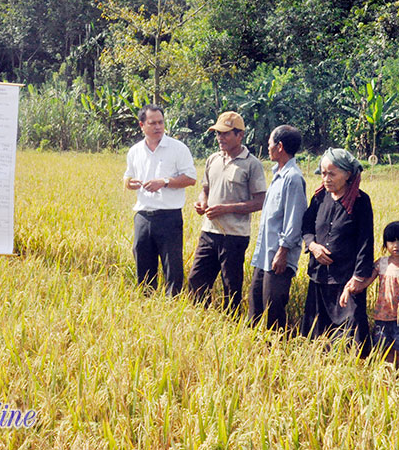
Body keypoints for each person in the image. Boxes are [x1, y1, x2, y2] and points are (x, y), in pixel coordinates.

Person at [187, 111, 266, 312]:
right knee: (196, 281)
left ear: (240, 135)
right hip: (209, 232)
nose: (220, 138)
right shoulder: (212, 159)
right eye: (218, 134)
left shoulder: (252, 164)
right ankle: (201, 319)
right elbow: (205, 189)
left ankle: (231, 324)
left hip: (234, 236)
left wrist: (225, 208)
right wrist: (201, 203)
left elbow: (260, 201)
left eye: (225, 134)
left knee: (231, 286)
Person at [300, 148, 374, 355]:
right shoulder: (319, 198)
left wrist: (359, 277)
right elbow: (306, 227)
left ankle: (354, 370)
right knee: (317, 331)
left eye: (332, 174)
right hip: (319, 276)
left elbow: (365, 241)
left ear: (348, 174)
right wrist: (313, 246)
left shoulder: (360, 201)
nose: (326, 178)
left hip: (346, 279)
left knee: (351, 331)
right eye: (323, 173)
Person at [124, 104, 196, 295]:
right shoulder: (135, 151)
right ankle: (146, 303)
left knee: (172, 266)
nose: (158, 127)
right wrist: (130, 183)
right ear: (142, 125)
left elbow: (190, 179)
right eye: (152, 123)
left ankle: (173, 305)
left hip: (169, 216)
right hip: (143, 216)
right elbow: (127, 177)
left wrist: (163, 182)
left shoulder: (178, 148)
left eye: (161, 122)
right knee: (143, 265)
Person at [248, 125, 307, 330]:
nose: (268, 148)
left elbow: (294, 219)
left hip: (278, 258)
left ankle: (277, 354)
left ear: (279, 146)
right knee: (255, 305)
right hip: (264, 255)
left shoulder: (293, 178)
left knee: (274, 311)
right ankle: (254, 352)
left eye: (270, 144)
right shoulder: (278, 174)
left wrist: (283, 251)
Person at [340, 221, 399, 369]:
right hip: (382, 317)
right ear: (385, 243)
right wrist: (348, 289)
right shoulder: (382, 263)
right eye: (391, 241)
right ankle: (386, 382)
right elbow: (364, 281)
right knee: (384, 351)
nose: (396, 245)